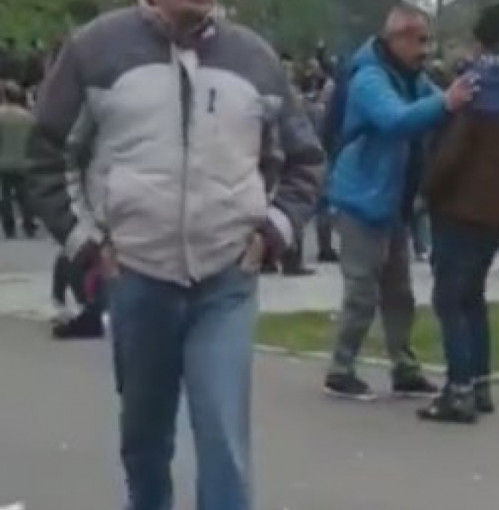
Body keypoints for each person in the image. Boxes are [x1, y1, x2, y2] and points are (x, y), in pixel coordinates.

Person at [27, 1, 323, 509]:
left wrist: (272, 232)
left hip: (226, 278)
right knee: (145, 438)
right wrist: (88, 245)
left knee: (223, 435)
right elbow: (49, 155)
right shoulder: (95, 49)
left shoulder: (254, 58)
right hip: (137, 274)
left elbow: (304, 160)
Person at [323, 3, 474, 401]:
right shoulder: (369, 78)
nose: (427, 50)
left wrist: (467, 100)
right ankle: (340, 369)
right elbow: (396, 120)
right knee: (362, 292)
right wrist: (448, 102)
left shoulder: (410, 78)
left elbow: (440, 104)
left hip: (391, 203)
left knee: (399, 294)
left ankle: (404, 368)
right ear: (398, 39)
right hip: (361, 201)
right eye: (421, 41)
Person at [421, 3, 499, 424]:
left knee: (449, 298)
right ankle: (481, 384)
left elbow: (454, 150)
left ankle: (459, 391)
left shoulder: (476, 83)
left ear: (480, 39)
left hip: (462, 203)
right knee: (474, 295)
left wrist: (429, 189)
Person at [0, 81, 36, 239]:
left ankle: (9, 227)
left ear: (4, 96)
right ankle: (29, 225)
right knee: (25, 196)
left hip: (3, 163)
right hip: (24, 162)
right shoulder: (28, 117)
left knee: (4, 196)